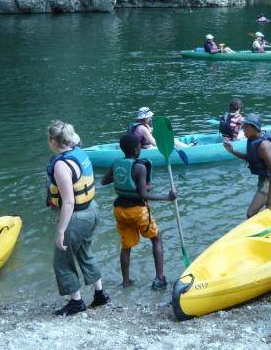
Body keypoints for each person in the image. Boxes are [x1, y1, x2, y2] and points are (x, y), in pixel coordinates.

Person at [46, 120, 109, 316]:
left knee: (62, 260)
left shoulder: (61, 166)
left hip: (77, 216)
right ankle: (100, 295)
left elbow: (69, 202)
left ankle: (76, 302)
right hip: (92, 210)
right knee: (85, 252)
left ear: (53, 142)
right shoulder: (80, 152)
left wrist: (61, 231)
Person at [101, 134, 176, 290]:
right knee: (156, 238)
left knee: (126, 246)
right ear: (137, 149)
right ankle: (160, 278)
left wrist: (123, 178)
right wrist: (167, 197)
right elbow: (143, 194)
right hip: (137, 211)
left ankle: (126, 282)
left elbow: (104, 181)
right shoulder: (140, 167)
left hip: (120, 210)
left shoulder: (116, 163)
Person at [223, 113, 271, 218]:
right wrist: (232, 151)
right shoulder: (252, 140)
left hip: (270, 180)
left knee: (251, 213)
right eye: (243, 126)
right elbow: (249, 157)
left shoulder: (264, 147)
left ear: (255, 128)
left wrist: (270, 197)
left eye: (246, 127)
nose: (243, 129)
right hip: (264, 179)